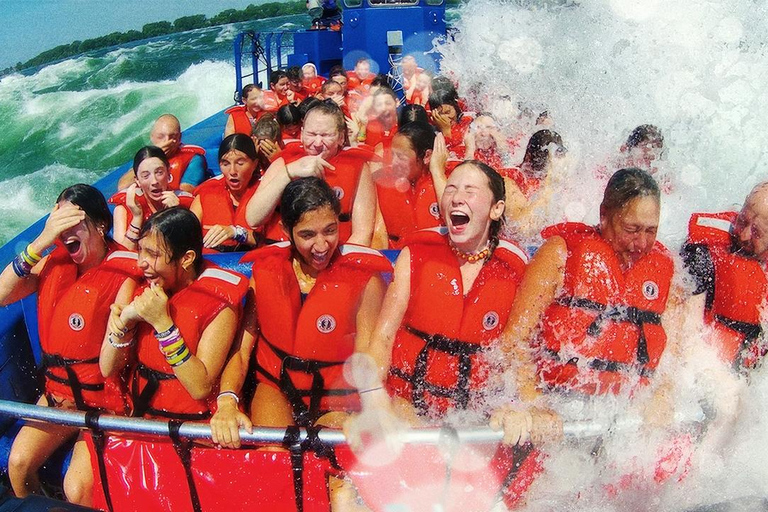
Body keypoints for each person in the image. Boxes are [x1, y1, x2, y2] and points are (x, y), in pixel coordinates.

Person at [347, 160, 559, 508]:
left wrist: (522, 405)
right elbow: (381, 341)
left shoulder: (515, 269)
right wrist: (374, 402)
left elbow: (515, 350)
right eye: (451, 189)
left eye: (469, 191)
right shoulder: (415, 255)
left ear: (496, 209)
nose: (456, 197)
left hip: (475, 413)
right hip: (410, 403)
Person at [211, 177, 387, 509]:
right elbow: (242, 349)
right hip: (276, 385)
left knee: (338, 481)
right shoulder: (264, 271)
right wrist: (227, 402)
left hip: (336, 398)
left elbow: (368, 356)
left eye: (330, 230)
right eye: (307, 235)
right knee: (273, 466)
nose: (322, 245)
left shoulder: (366, 278)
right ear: (287, 231)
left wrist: (370, 412)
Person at [0, 184, 141, 506]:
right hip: (60, 395)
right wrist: (40, 241)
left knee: (76, 490)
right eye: (59, 222)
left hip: (108, 402)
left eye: (73, 221)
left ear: (100, 225)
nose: (65, 231)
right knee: (18, 464)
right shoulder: (53, 264)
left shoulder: (128, 272)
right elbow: (2, 294)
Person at [502, 167, 673, 397]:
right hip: (556, 397)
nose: (641, 242)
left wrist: (662, 397)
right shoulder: (560, 253)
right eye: (631, 229)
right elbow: (513, 342)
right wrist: (533, 404)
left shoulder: (665, 269)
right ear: (604, 215)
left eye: (651, 230)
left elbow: (675, 359)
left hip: (624, 412)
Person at [100, 207, 247, 421]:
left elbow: (200, 387)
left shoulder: (220, 304)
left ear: (186, 259)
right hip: (140, 421)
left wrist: (163, 325)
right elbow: (107, 368)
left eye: (153, 254)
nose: (141, 262)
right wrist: (126, 322)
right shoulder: (138, 287)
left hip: (192, 429)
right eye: (141, 250)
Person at [245, 101, 377, 246]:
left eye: (326, 135)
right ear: (301, 135)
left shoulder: (357, 168)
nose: (318, 142)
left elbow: (363, 233)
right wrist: (288, 174)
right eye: (311, 134)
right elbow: (253, 219)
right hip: (285, 253)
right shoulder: (283, 163)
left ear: (341, 137)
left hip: (336, 254)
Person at [372, 122, 446, 249]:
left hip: (436, 258)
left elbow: (455, 217)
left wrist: (437, 172)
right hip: (397, 257)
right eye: (393, 154)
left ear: (427, 156)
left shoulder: (448, 180)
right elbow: (379, 234)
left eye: (401, 157)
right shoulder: (383, 181)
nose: (393, 162)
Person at [111, 146, 193, 250]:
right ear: (137, 181)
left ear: (168, 173)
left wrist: (175, 214)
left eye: (159, 172)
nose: (154, 181)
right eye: (145, 176)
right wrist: (137, 218)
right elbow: (121, 256)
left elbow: (190, 248)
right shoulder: (123, 210)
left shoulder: (186, 204)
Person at [190, 134, 262, 253]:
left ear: (254, 164)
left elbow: (277, 242)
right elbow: (186, 240)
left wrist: (237, 233)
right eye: (225, 164)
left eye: (240, 163)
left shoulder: (267, 194)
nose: (232, 171)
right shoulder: (204, 196)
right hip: (212, 266)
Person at [117, 114, 207, 192]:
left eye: (172, 137)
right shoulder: (144, 158)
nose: (166, 141)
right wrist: (155, 154)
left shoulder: (194, 158)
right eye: (161, 137)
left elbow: (186, 191)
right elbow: (123, 186)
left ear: (179, 138)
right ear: (152, 137)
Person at [428, 87, 473, 159]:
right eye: (440, 114)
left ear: (455, 108)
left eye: (448, 112)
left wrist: (446, 131)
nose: (446, 117)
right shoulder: (431, 133)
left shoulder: (468, 123)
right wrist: (445, 130)